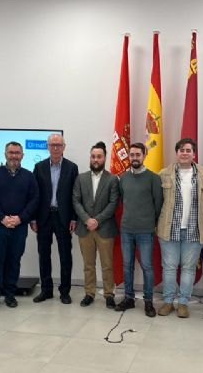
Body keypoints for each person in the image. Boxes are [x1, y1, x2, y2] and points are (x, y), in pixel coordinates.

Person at [156, 138, 203, 319]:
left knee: (188, 268)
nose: (185, 153)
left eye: (188, 150)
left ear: (194, 154)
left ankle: (183, 303)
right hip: (169, 229)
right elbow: (157, 202)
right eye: (181, 150)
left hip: (195, 229)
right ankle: (168, 301)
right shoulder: (163, 174)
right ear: (176, 153)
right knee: (169, 268)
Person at [0, 141, 39, 311]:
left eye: (17, 153)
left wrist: (21, 218)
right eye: (11, 152)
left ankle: (10, 295)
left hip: (19, 226)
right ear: (5, 154)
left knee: (14, 261)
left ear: (22, 155)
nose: (14, 156)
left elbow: (34, 199)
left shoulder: (29, 176)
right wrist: (2, 218)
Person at [115, 142, 163, 317]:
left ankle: (148, 301)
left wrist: (149, 222)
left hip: (145, 230)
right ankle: (129, 298)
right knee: (127, 266)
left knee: (147, 267)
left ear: (144, 155)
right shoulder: (123, 178)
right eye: (132, 155)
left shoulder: (153, 178)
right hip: (126, 229)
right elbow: (123, 201)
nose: (134, 158)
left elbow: (158, 204)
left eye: (138, 155)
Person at [30, 133, 79, 305]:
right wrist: (33, 218)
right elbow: (34, 194)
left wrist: (74, 218)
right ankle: (46, 290)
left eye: (59, 145)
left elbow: (75, 196)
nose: (56, 148)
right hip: (43, 218)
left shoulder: (72, 168)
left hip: (63, 217)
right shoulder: (39, 167)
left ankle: (65, 291)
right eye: (52, 145)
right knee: (44, 254)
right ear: (48, 147)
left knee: (65, 256)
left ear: (64, 147)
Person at [72, 141, 119, 308]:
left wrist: (97, 220)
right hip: (85, 229)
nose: (96, 159)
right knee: (88, 265)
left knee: (107, 265)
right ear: (90, 158)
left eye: (99, 156)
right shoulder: (81, 178)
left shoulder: (112, 179)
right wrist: (87, 220)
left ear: (104, 158)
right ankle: (89, 293)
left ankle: (109, 294)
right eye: (93, 156)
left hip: (105, 228)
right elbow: (76, 201)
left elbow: (113, 203)